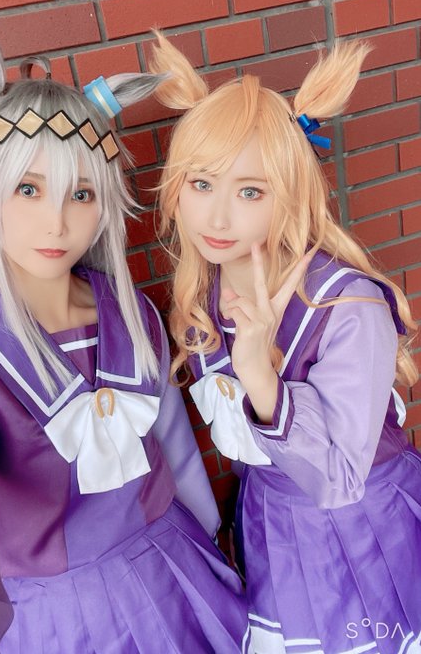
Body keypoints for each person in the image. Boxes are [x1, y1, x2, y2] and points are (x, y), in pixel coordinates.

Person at [0, 0, 248, 654]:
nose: (57, 221)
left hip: (180, 572)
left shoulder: (131, 311)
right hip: (59, 621)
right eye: (28, 188)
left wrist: (212, 540)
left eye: (82, 193)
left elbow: (176, 447)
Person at [149, 32, 421, 654]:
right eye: (201, 184)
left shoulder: (347, 305)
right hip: (270, 527)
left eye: (250, 191)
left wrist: (261, 380)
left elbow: (340, 478)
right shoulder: (200, 296)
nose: (218, 217)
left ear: (290, 194)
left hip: (365, 531)